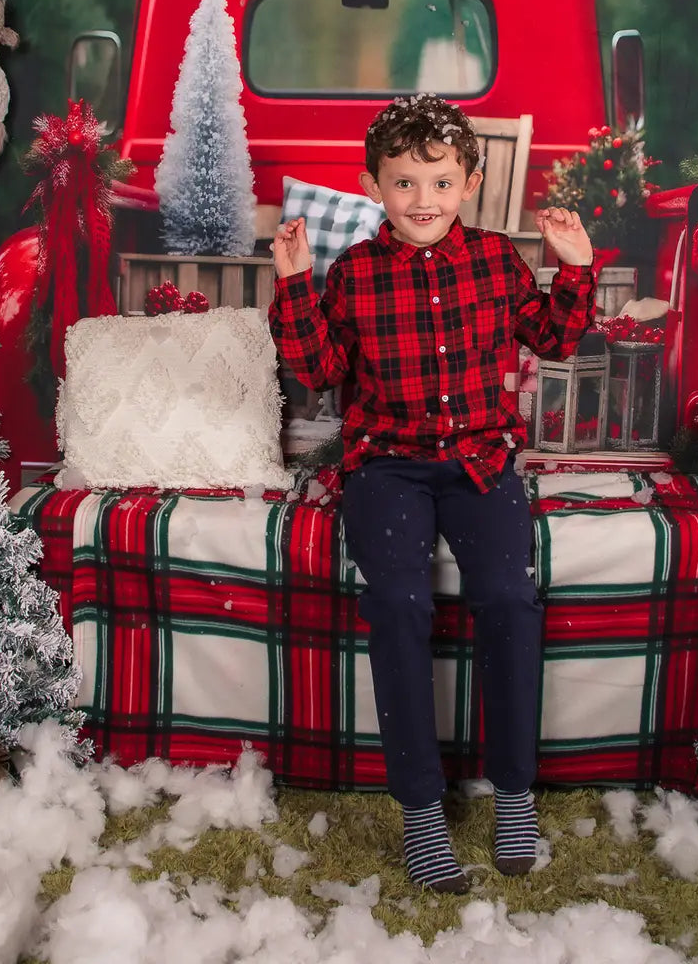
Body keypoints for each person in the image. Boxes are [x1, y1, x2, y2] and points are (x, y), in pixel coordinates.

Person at [268, 94, 595, 893]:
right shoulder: (354, 271)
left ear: (470, 183)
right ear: (374, 185)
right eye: (405, 183)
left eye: (441, 183)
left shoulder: (494, 260)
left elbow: (552, 335)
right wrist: (296, 285)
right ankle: (421, 811)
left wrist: (575, 266)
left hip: (481, 459)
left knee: (508, 600)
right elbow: (318, 371)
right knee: (399, 606)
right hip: (389, 465)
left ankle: (513, 793)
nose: (424, 201)